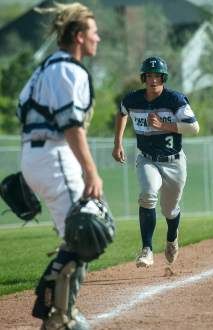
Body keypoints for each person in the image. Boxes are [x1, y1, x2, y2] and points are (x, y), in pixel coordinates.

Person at [17, 2, 102, 329]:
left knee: (77, 237)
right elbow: (70, 124)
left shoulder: (43, 69)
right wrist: (91, 171)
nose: (99, 37)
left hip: (37, 155)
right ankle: (60, 316)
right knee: (88, 234)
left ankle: (58, 313)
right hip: (54, 155)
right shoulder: (68, 70)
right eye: (94, 32)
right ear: (79, 37)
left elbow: (24, 112)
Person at [112, 56, 199, 268]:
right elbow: (122, 112)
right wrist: (118, 143)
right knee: (148, 195)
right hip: (147, 158)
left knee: (170, 210)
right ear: (144, 78)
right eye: (149, 76)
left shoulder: (174, 100)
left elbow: (193, 128)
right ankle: (147, 249)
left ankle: (172, 237)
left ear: (163, 78)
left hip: (174, 162)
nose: (153, 80)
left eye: (157, 76)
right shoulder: (133, 99)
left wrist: (163, 125)